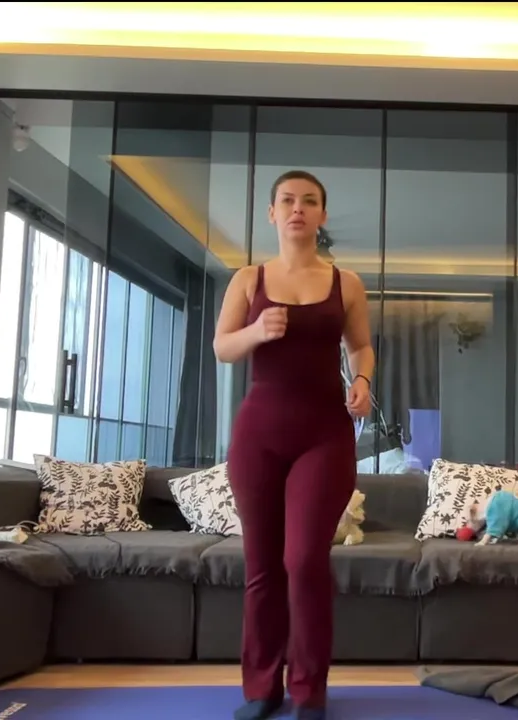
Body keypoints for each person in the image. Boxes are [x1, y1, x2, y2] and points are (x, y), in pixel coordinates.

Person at [213, 170, 374, 720]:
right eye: (287, 200)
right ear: (272, 213)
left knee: (304, 561)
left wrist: (363, 379)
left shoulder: (346, 283)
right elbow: (222, 347)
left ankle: (308, 690)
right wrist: (257, 331)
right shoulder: (248, 279)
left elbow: (361, 347)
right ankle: (262, 688)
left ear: (322, 215)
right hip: (258, 435)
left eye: (309, 201)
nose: (298, 208)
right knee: (262, 565)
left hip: (324, 434)